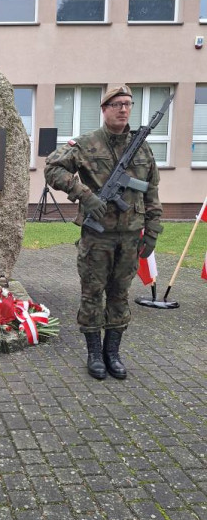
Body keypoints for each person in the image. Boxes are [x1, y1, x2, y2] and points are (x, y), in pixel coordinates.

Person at [44, 85, 162, 380]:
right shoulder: (85, 144)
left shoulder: (142, 147)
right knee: (93, 293)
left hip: (130, 236)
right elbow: (53, 168)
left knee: (120, 295)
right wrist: (84, 194)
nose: (123, 109)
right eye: (116, 104)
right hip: (97, 236)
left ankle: (113, 353)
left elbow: (152, 192)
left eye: (127, 104)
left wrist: (153, 230)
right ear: (104, 109)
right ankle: (94, 354)